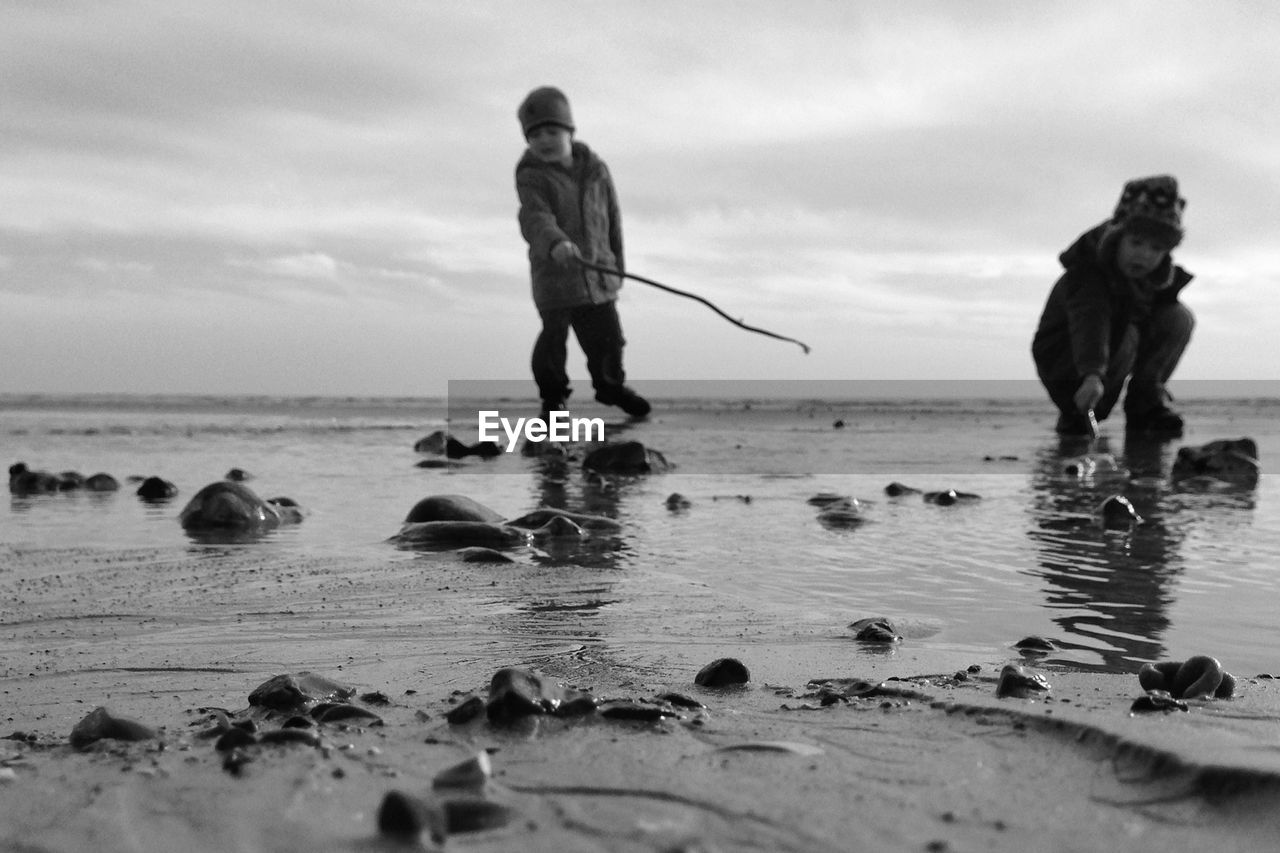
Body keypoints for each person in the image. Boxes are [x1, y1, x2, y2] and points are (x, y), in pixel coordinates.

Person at [514, 86, 650, 422]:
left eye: (552, 131)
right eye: (535, 135)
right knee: (553, 344)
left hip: (599, 276)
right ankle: (554, 402)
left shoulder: (597, 171)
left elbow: (613, 218)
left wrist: (617, 265)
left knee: (609, 341)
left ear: (570, 132)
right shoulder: (532, 176)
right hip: (555, 279)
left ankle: (611, 389)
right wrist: (556, 243)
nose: (544, 140)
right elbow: (535, 217)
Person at [1031, 175, 1194, 438]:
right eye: (1136, 243)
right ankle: (1077, 414)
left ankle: (1145, 407)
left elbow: (1160, 330)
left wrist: (1152, 378)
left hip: (1107, 353)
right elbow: (1090, 324)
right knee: (1126, 334)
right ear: (1117, 237)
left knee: (1179, 318)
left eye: (1156, 249)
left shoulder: (1149, 282)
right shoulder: (1088, 274)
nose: (1144, 255)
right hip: (1066, 358)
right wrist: (1092, 375)